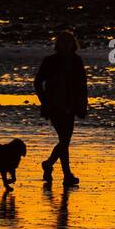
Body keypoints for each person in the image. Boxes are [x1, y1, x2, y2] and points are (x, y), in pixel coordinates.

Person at [34, 30, 89, 186]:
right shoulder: (49, 61)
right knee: (64, 140)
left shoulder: (77, 61)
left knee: (64, 140)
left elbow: (82, 85)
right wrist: (44, 100)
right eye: (63, 42)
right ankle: (66, 175)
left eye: (68, 42)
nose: (65, 45)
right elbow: (38, 82)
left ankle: (50, 164)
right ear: (58, 44)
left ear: (73, 44)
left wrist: (83, 103)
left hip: (71, 105)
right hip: (54, 105)